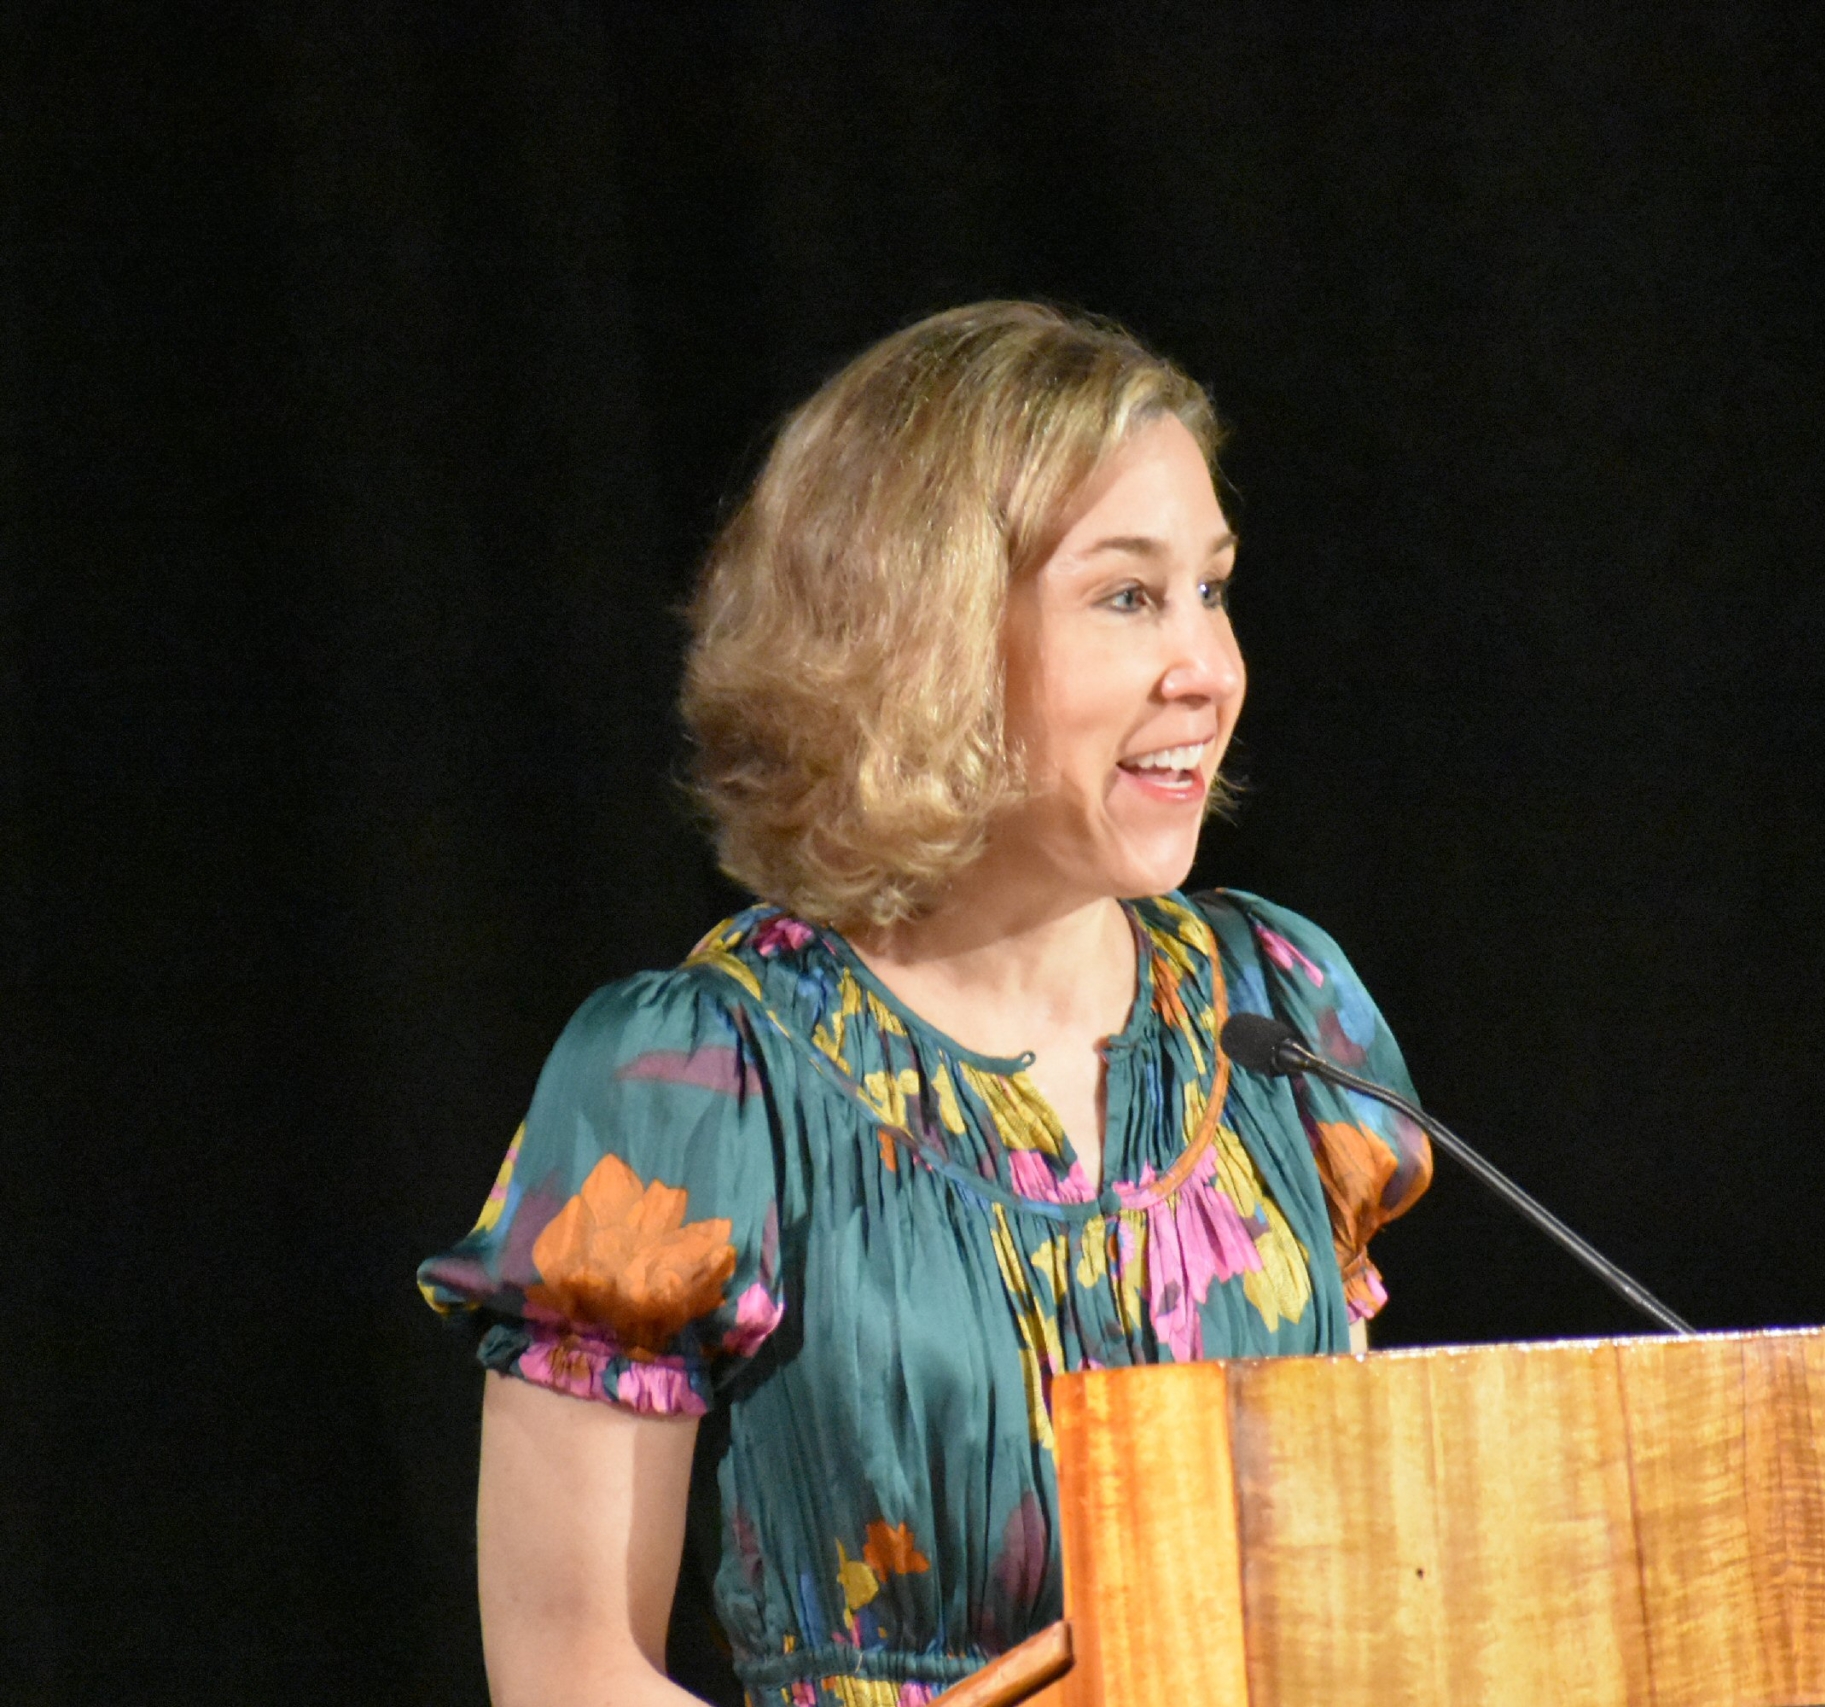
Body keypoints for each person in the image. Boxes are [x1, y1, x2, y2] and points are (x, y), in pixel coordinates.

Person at [418, 302, 1435, 1707]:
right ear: (925, 636)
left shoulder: (1284, 1017)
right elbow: (566, 1667)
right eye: (1128, 597)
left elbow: (1366, 1598)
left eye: (1213, 587)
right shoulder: (700, 1081)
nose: (1208, 666)